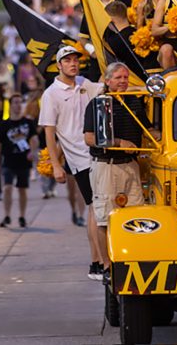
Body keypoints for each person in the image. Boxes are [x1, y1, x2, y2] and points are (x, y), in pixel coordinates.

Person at [39, 44, 106, 280]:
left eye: (75, 60)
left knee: (97, 208)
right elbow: (49, 132)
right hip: (79, 158)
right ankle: (97, 261)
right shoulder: (51, 94)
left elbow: (106, 85)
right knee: (95, 208)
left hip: (98, 152)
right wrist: (56, 165)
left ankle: (101, 261)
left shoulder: (83, 84)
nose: (73, 63)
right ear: (59, 65)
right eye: (67, 61)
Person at [84, 63, 153, 273]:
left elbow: (148, 129)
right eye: (118, 78)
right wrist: (119, 143)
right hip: (107, 166)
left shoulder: (133, 101)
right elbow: (89, 138)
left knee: (137, 215)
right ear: (107, 81)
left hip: (130, 166)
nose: (123, 81)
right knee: (105, 217)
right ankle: (107, 266)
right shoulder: (97, 104)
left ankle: (134, 260)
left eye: (125, 77)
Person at [0, 94, 38, 229]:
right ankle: (7, 215)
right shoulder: (4, 124)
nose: (18, 105)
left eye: (20, 103)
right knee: (7, 188)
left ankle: (22, 216)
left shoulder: (27, 123)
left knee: (22, 190)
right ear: (11, 105)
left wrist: (33, 151)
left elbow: (34, 139)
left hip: (23, 162)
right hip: (8, 161)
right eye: (15, 103)